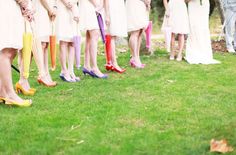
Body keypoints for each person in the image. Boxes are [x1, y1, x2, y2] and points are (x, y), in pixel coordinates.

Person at [0, 0, 32, 107]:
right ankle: (10, 94)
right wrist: (22, 2)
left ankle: (2, 90)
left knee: (12, 50)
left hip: (14, 6)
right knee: (6, 49)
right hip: (7, 5)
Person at [79, 0, 108, 78]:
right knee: (95, 34)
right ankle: (94, 68)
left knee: (89, 35)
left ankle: (86, 65)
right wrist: (96, 4)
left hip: (92, 5)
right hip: (90, 5)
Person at [185, 0, 220, 64]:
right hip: (193, 5)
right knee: (194, 27)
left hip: (204, 5)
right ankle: (193, 52)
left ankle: (204, 52)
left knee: (203, 27)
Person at [57, 0, 80, 82]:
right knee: (64, 41)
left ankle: (71, 70)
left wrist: (73, 4)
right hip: (62, 8)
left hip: (73, 8)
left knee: (72, 42)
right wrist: (66, 2)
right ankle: (64, 70)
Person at [104, 0, 127, 73]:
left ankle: (109, 62)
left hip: (117, 7)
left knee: (112, 35)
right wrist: (107, 14)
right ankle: (114, 63)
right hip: (111, 7)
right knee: (111, 36)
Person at [126, 0, 151, 68]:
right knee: (135, 31)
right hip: (135, 3)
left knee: (140, 31)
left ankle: (137, 57)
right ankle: (134, 57)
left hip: (141, 4)